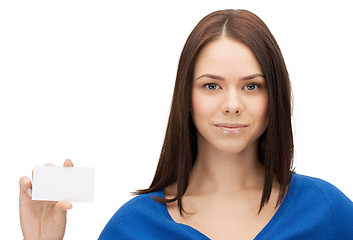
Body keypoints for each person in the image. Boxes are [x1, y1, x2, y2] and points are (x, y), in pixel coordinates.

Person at [19, 9, 353, 240]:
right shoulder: (132, 226)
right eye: (212, 86)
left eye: (252, 85)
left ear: (275, 97)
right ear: (186, 97)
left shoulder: (329, 212)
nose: (232, 105)